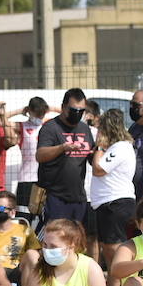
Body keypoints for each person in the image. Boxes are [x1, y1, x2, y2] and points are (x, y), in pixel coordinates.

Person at [89, 108, 138, 277]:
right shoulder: (116, 148)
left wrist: (100, 147)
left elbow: (98, 169)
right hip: (106, 204)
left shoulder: (120, 147)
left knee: (115, 250)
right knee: (108, 250)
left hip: (116, 203)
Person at [35, 88, 94, 227]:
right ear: (63, 107)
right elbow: (40, 155)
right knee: (55, 238)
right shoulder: (51, 127)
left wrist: (99, 152)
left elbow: (91, 156)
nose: (77, 114)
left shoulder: (84, 129)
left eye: (81, 111)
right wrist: (62, 147)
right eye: (73, 110)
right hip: (54, 196)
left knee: (77, 241)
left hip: (78, 196)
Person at [0, 189, 40, 286]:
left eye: (0, 208)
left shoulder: (24, 230)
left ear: (12, 212)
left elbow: (37, 253)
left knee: (32, 254)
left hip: (17, 270)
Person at [13, 96, 51, 208]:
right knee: (24, 214)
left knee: (43, 216)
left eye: (42, 114)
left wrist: (50, 108)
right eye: (37, 114)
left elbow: (66, 113)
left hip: (44, 178)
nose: (40, 117)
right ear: (29, 111)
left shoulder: (48, 125)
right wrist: (20, 111)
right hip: (26, 179)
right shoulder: (21, 126)